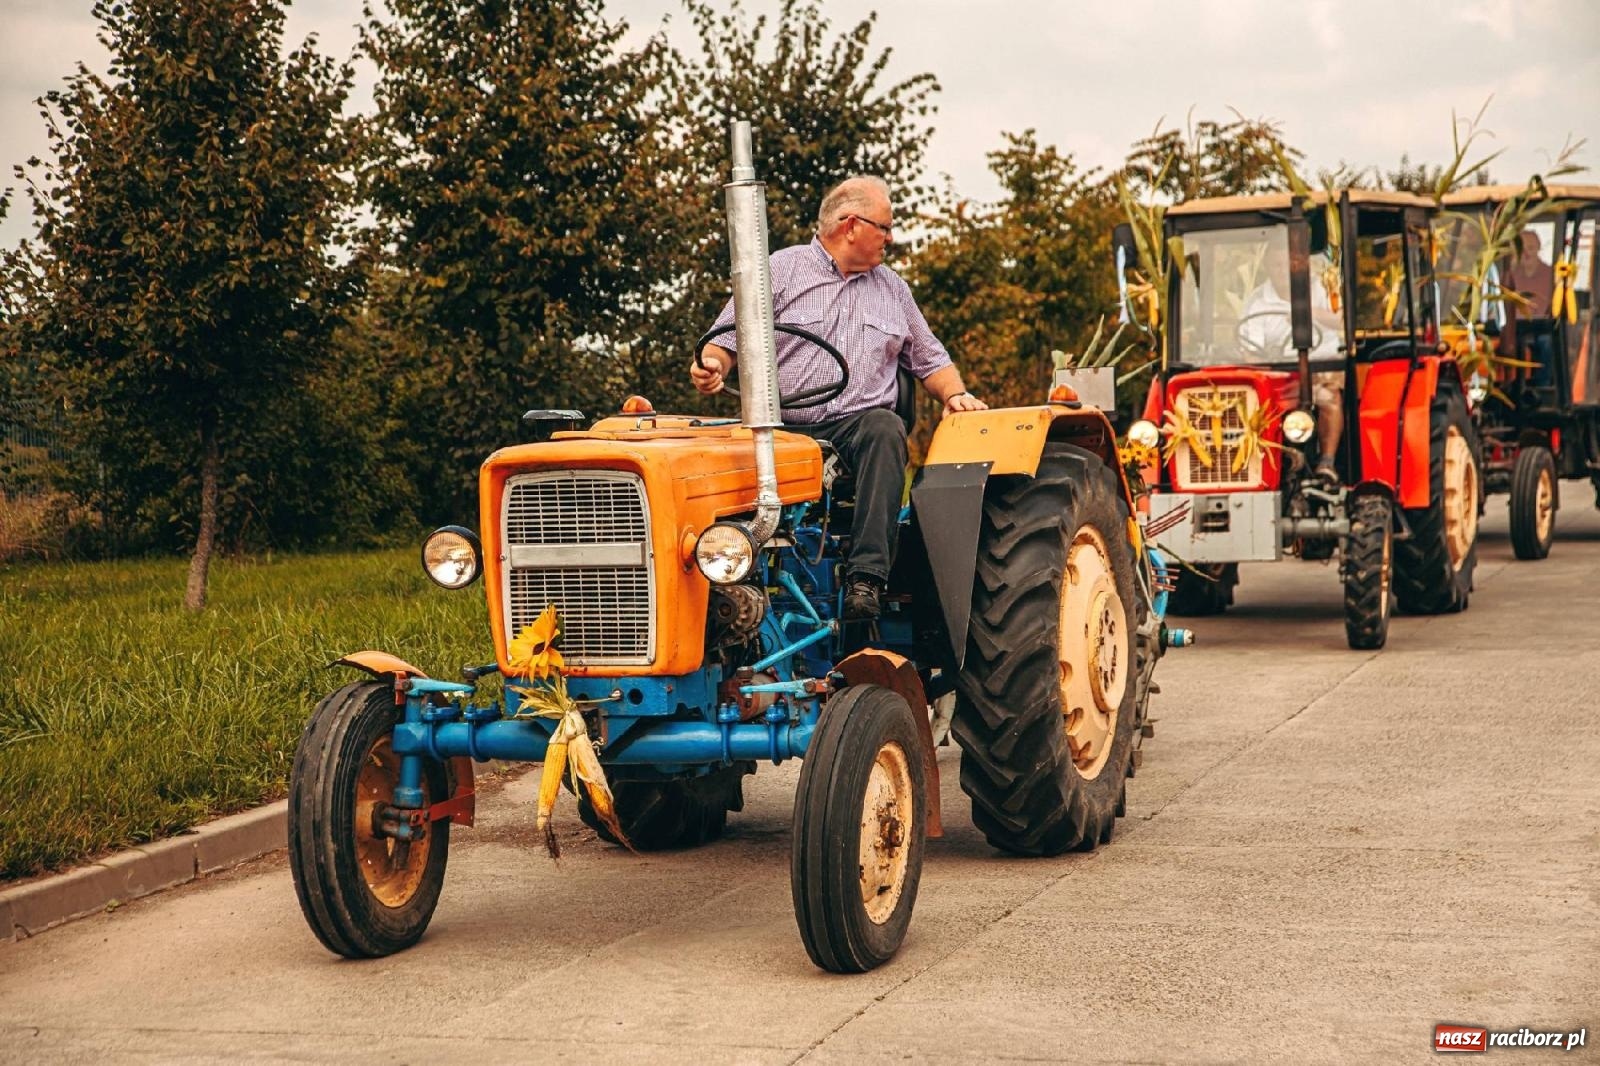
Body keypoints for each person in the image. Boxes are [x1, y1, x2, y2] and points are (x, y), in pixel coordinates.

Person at [691, 176, 986, 619]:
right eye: (884, 227)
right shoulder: (780, 270)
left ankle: (865, 578)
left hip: (855, 427)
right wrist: (712, 365)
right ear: (851, 225)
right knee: (701, 455)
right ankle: (719, 579)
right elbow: (724, 341)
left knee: (885, 428)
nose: (890, 237)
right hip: (781, 426)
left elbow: (930, 358)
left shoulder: (894, 290)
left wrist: (956, 394)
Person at [1240, 242, 1345, 479]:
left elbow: (1341, 320)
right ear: (1267, 267)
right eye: (1276, 265)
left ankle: (1327, 463)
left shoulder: (1320, 289)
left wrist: (1308, 312)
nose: (1282, 270)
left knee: (1329, 396)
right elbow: (1250, 350)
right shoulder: (1257, 301)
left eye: (1286, 265)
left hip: (1321, 362)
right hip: (1278, 369)